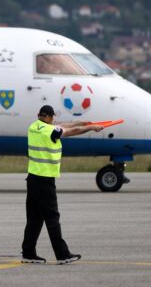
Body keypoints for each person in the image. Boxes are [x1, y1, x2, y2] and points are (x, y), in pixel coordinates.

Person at [22, 105, 103, 264]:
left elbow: (63, 126)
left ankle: (28, 253)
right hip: (45, 180)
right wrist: (91, 128)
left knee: (34, 219)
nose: (55, 121)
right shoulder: (49, 131)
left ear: (39, 115)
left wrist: (82, 123)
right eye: (53, 118)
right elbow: (69, 132)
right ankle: (62, 255)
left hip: (33, 179)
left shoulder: (34, 126)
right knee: (52, 218)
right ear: (50, 117)